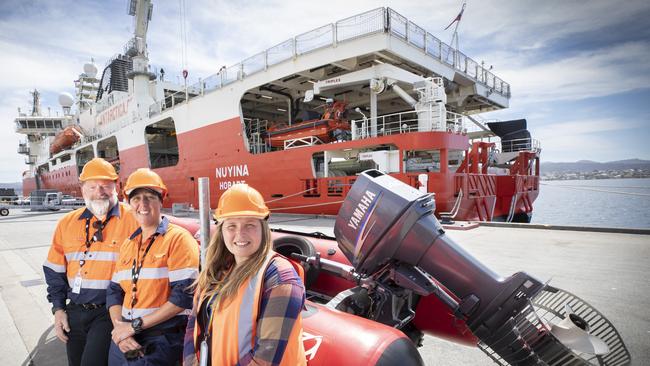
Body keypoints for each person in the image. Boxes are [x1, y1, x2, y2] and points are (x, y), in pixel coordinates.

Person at [183, 183, 307, 366]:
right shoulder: (217, 272)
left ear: (263, 229)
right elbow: (193, 327)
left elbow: (264, 359)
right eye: (231, 226)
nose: (240, 234)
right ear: (222, 231)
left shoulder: (280, 279)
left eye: (250, 225)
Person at [43, 158, 139, 366]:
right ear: (83, 189)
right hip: (75, 311)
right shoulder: (66, 224)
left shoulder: (134, 219)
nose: (100, 192)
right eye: (93, 186)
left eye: (106, 186)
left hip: (110, 310)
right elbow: (54, 271)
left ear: (116, 186)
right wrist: (59, 310)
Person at [107, 168, 199, 365]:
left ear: (161, 200)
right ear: (129, 203)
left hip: (162, 338)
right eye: (136, 198)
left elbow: (183, 297)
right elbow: (114, 291)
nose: (143, 204)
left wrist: (133, 327)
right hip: (125, 336)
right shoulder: (128, 244)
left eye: (150, 197)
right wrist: (120, 329)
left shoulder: (178, 239)